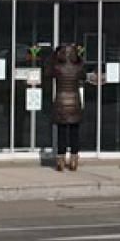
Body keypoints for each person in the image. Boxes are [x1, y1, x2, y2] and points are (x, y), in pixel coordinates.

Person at [49, 44, 86, 172]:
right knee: (74, 133)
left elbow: (48, 71)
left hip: (61, 102)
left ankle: (61, 159)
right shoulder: (77, 68)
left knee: (62, 132)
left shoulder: (58, 68)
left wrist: (54, 54)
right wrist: (80, 57)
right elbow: (84, 75)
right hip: (74, 102)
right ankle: (74, 159)